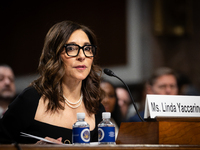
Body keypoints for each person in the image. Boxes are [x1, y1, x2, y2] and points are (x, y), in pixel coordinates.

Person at [0, 20, 105, 144]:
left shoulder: (96, 108)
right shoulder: (31, 99)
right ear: (54, 55)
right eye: (71, 48)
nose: (82, 56)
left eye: (87, 48)